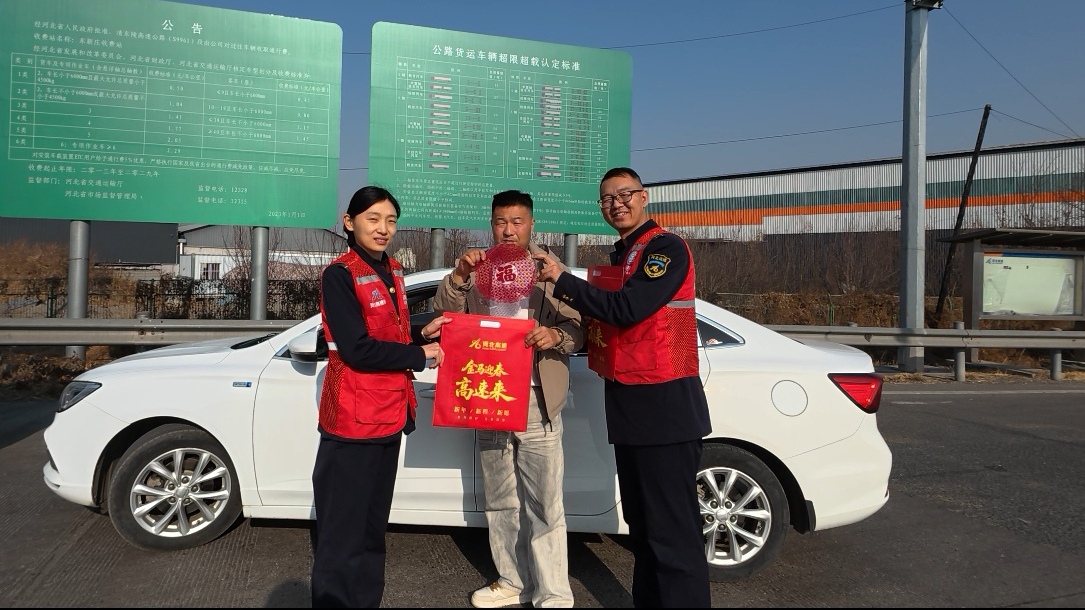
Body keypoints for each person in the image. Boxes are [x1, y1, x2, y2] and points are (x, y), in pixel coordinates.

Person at [535, 167, 712, 608]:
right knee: (644, 526)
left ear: (644, 197)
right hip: (632, 404)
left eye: (625, 194)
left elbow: (627, 308)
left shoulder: (664, 248)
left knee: (672, 533)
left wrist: (562, 279)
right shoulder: (624, 254)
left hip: (665, 405)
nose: (616, 204)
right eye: (607, 199)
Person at [434, 189, 584, 608]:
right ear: (491, 224)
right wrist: (459, 274)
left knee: (545, 504)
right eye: (501, 221)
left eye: (517, 221)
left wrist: (555, 336)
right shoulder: (478, 268)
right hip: (491, 397)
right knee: (500, 500)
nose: (508, 230)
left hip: (537, 400)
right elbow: (446, 315)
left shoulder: (550, 271)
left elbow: (579, 328)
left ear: (531, 224)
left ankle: (553, 593)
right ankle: (512, 581)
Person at [311, 185, 451, 608]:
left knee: (372, 531)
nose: (383, 228)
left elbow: (386, 333)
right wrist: (420, 355)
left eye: (391, 220)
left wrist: (419, 332)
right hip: (353, 421)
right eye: (373, 218)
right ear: (349, 222)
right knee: (342, 536)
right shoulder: (340, 274)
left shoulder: (392, 270)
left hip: (388, 415)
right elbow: (356, 348)